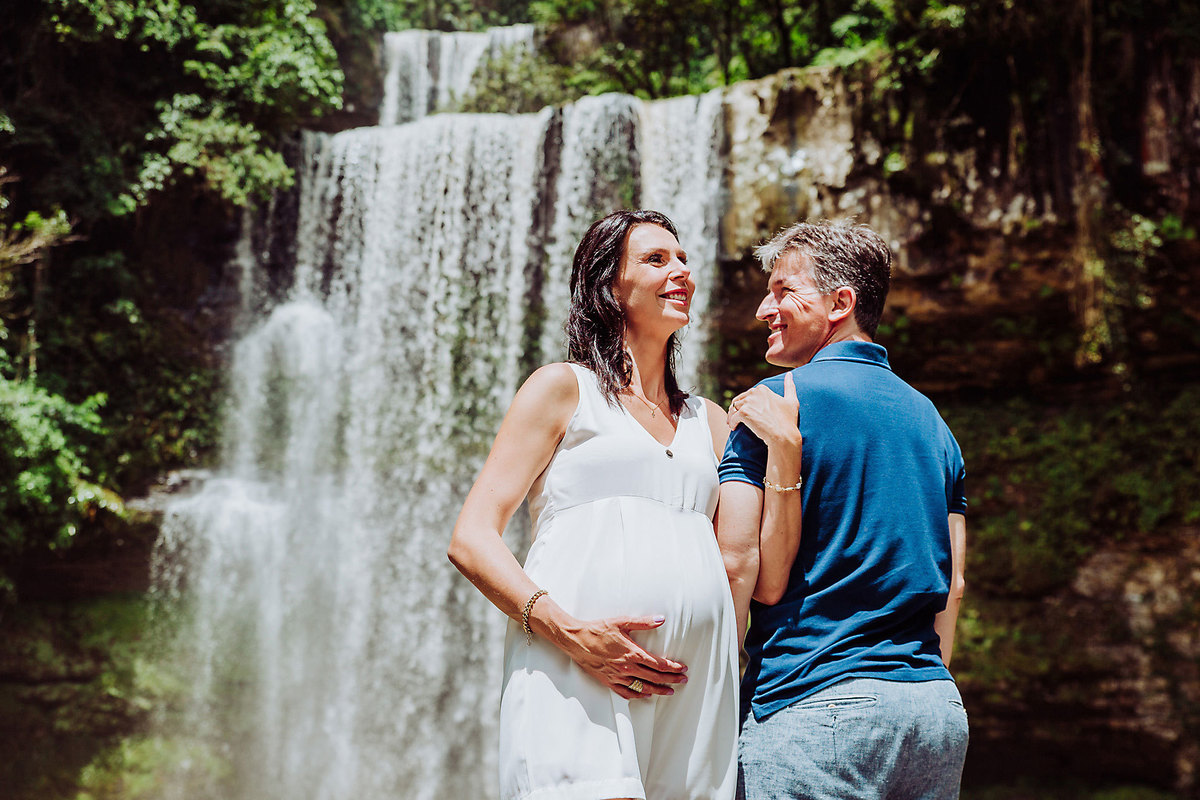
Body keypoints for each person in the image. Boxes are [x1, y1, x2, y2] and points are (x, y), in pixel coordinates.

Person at [448, 209, 800, 800]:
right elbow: (472, 537)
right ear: (609, 286)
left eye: (684, 259)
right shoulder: (564, 388)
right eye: (657, 259)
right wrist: (570, 632)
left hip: (696, 688)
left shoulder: (709, 420)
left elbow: (757, 567)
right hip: (576, 670)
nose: (681, 271)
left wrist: (786, 454)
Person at [717, 220, 969, 800]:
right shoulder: (934, 422)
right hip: (933, 711)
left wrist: (708, 706)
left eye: (783, 290)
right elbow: (953, 584)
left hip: (813, 705)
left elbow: (739, 567)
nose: (762, 308)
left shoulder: (773, 408)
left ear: (840, 303)